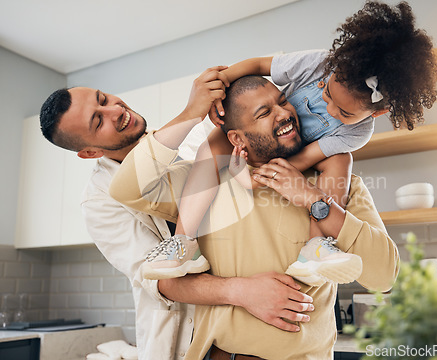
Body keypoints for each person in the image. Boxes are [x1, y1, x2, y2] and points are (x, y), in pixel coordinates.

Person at [143, 0, 437, 287]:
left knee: (341, 160)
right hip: (260, 154)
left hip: (299, 158)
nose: (331, 110)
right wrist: (222, 80)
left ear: (378, 111)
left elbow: (307, 157)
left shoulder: (358, 134)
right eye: (327, 93)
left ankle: (316, 246)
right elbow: (259, 64)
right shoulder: (317, 63)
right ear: (334, 67)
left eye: (345, 113)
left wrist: (258, 180)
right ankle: (183, 241)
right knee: (210, 146)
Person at [109, 75, 400, 360]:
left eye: (283, 101)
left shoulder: (336, 184)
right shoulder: (208, 185)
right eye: (264, 113)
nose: (285, 113)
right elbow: (127, 187)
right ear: (236, 137)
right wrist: (191, 114)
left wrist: (313, 200)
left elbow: (384, 276)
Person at [38, 67, 316, 360]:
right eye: (98, 121)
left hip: (259, 328)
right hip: (191, 341)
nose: (115, 110)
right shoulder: (99, 200)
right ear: (91, 153)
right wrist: (243, 291)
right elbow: (161, 281)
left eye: (103, 98)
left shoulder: (196, 138)